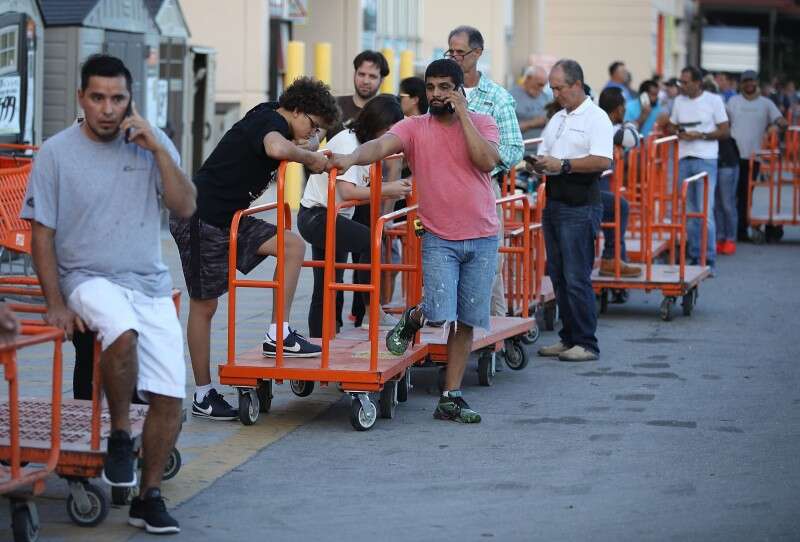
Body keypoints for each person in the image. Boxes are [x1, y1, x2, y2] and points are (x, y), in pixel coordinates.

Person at [22, 54, 196, 533]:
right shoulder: (56, 154)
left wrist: (158, 150)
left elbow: (185, 205)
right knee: (121, 333)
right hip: (86, 278)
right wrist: (55, 302)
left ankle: (149, 496)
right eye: (97, 97)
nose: (107, 108)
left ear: (129, 100)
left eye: (117, 98)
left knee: (170, 394)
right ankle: (121, 434)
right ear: (81, 99)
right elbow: (41, 234)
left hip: (149, 281)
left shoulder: (150, 142)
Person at [329, 58, 500, 424]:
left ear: (458, 90)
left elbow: (486, 161)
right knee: (440, 313)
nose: (436, 95)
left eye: (444, 88)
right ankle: (415, 316)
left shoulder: (483, 123)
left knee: (466, 321)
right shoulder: (414, 127)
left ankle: (450, 397)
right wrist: (349, 158)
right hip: (439, 235)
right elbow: (378, 146)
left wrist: (464, 116)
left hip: (483, 235)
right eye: (431, 88)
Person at [169, 77, 338, 421]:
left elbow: (286, 143)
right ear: (299, 110)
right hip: (199, 218)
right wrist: (308, 156)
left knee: (292, 246)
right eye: (312, 125)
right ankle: (203, 394)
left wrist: (309, 145)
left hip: (229, 218)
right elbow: (276, 148)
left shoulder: (270, 114)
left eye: (318, 130)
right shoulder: (271, 121)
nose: (311, 135)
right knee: (205, 306)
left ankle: (278, 333)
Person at [298, 95, 410, 337]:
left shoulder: (364, 146)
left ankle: (322, 343)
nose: (391, 137)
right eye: (389, 130)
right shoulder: (349, 144)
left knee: (327, 283)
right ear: (376, 123)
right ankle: (372, 312)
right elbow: (347, 191)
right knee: (370, 242)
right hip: (317, 216)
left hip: (331, 215)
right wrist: (388, 189)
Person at [446, 25, 523, 367]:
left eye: (459, 52)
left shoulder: (497, 98)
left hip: (480, 188)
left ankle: (494, 335)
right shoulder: (438, 91)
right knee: (440, 262)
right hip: (439, 189)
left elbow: (514, 149)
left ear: (477, 54)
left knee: (487, 263)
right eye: (450, 52)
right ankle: (442, 333)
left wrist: (481, 158)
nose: (454, 58)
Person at [533, 59, 612, 363]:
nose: (555, 94)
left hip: (580, 206)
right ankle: (568, 337)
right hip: (555, 203)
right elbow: (546, 153)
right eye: (552, 88)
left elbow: (602, 160)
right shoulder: (558, 118)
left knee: (577, 276)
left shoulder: (597, 118)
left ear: (577, 84)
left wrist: (564, 165)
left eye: (559, 88)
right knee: (559, 276)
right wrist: (541, 164)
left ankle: (586, 342)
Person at [330, 50, 390, 328]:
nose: (366, 80)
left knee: (367, 258)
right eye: (362, 74)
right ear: (354, 74)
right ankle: (333, 324)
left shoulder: (384, 110)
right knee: (333, 266)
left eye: (372, 76)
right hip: (336, 197)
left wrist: (386, 203)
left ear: (381, 80)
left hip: (366, 198)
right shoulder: (337, 107)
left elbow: (392, 159)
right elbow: (315, 139)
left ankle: (363, 315)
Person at [668, 66, 730, 271]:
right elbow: (671, 125)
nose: (682, 86)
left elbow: (724, 131)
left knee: (705, 211)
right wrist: (679, 132)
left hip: (706, 159)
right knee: (689, 211)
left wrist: (701, 135)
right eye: (680, 82)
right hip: (684, 159)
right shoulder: (678, 101)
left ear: (698, 83)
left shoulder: (714, 100)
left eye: (685, 82)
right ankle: (695, 255)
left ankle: (708, 258)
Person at [726, 70, 787, 243]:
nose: (749, 84)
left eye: (752, 81)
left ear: (756, 83)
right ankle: (733, 230)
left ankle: (741, 230)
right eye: (746, 81)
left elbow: (781, 121)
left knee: (746, 195)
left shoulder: (766, 103)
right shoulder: (733, 101)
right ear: (741, 84)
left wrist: (777, 126)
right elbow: (723, 121)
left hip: (754, 156)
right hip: (734, 154)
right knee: (732, 195)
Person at [597, 87, 642, 278]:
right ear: (618, 109)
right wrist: (628, 124)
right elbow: (633, 139)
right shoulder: (608, 126)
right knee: (619, 206)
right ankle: (611, 258)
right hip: (589, 185)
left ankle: (616, 258)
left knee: (616, 207)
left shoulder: (603, 123)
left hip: (597, 182)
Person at [511, 65, 550, 140]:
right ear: (528, 78)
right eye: (539, 84)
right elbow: (505, 130)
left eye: (544, 86)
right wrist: (532, 123)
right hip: (523, 148)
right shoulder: (510, 97)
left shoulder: (545, 97)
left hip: (542, 148)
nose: (541, 89)